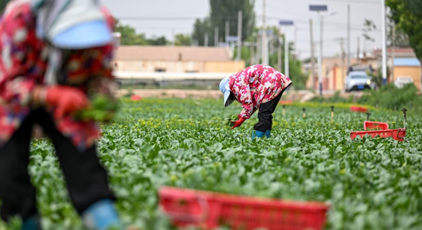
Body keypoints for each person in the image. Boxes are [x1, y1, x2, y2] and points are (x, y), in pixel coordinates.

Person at [0, 0, 122, 229]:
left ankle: (105, 221)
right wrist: (52, 94)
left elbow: (100, 73)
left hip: (69, 100)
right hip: (14, 101)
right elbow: (5, 85)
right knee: (8, 170)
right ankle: (25, 221)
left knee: (84, 164)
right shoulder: (19, 19)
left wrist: (103, 99)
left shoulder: (101, 23)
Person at [219, 64, 292, 139]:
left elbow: (247, 102)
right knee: (266, 114)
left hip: (269, 82)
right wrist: (242, 117)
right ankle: (266, 139)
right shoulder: (240, 79)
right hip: (276, 80)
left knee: (264, 115)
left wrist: (242, 119)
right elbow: (254, 104)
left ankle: (256, 141)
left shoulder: (236, 84)